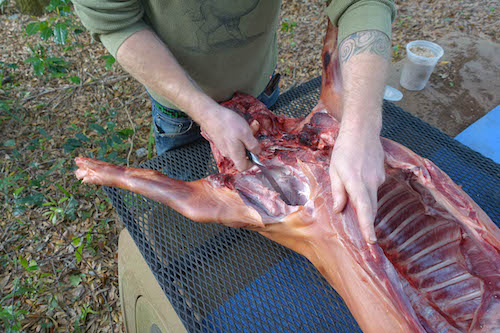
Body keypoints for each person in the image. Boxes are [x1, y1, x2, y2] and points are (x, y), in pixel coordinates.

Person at [73, 0, 396, 244]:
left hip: (261, 92)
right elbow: (116, 23)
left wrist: (361, 128)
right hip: (180, 115)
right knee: (191, 223)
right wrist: (203, 111)